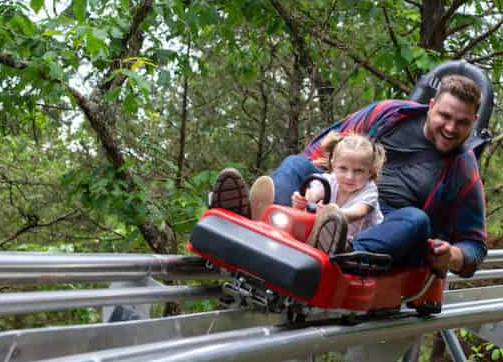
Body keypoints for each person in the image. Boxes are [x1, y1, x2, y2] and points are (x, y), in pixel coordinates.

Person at [209, 74, 487, 277]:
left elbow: (475, 247)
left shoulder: (463, 168)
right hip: (337, 196)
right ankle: (255, 221)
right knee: (296, 164)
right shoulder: (388, 114)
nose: (451, 127)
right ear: (431, 106)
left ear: (474, 122)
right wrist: (311, 190)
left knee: (416, 220)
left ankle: (342, 249)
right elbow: (324, 151)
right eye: (445, 116)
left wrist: (452, 256)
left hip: (384, 226)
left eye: (462, 122)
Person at [290, 132, 385, 240]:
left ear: (370, 172)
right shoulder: (330, 180)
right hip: (328, 233)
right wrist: (303, 200)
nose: (349, 177)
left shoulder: (369, 190)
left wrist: (332, 213)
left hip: (354, 241)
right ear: (333, 165)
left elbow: (357, 213)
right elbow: (315, 192)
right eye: (343, 168)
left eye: (358, 171)